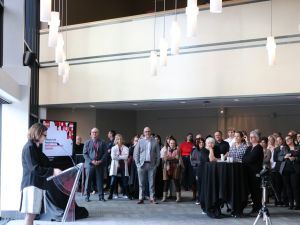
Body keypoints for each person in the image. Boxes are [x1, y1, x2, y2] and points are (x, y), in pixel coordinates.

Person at [20, 123, 62, 225]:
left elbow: (46, 162)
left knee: (33, 214)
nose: (46, 138)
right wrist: (52, 171)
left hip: (36, 183)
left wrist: (60, 166)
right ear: (38, 133)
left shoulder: (36, 147)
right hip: (31, 184)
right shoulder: (29, 147)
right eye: (45, 135)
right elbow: (35, 168)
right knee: (30, 214)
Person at [134, 127, 161, 204]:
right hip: (142, 165)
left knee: (152, 183)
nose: (147, 133)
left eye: (149, 131)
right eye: (146, 131)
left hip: (152, 165)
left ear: (151, 132)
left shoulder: (155, 142)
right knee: (141, 183)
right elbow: (136, 153)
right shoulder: (140, 141)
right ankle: (141, 198)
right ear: (144, 132)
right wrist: (138, 164)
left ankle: (152, 198)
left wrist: (157, 164)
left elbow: (158, 154)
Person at [83, 128, 108, 202]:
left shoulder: (102, 142)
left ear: (98, 133)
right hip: (90, 164)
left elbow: (105, 153)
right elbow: (85, 154)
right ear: (90, 134)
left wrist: (100, 161)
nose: (94, 134)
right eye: (93, 132)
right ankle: (87, 196)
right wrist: (92, 161)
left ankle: (101, 197)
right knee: (88, 181)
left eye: (96, 132)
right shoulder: (87, 142)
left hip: (99, 164)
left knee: (100, 181)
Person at [242, 130, 264, 214]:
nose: (250, 138)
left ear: (257, 138)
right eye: (250, 136)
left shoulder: (259, 147)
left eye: (252, 137)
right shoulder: (249, 148)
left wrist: (247, 159)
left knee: (256, 191)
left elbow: (250, 159)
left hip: (255, 172)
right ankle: (255, 207)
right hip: (248, 172)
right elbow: (244, 159)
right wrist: (247, 159)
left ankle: (257, 208)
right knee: (251, 191)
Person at [161, 137, 183, 202]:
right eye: (171, 143)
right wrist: (173, 158)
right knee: (166, 183)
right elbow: (165, 159)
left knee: (176, 182)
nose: (172, 144)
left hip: (176, 168)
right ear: (169, 143)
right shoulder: (165, 150)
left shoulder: (178, 150)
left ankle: (178, 198)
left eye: (173, 143)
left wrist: (169, 158)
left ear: (175, 143)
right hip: (166, 167)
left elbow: (177, 159)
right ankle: (164, 197)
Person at [281, 135, 300, 209]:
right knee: (288, 187)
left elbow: (298, 155)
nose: (287, 141)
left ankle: (297, 204)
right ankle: (291, 204)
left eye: (288, 139)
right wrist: (284, 157)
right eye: (286, 140)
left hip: (295, 170)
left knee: (295, 187)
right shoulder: (284, 148)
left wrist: (295, 158)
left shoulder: (298, 147)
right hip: (286, 169)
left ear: (292, 139)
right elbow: (278, 157)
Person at [108, 134, 129, 200]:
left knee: (125, 180)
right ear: (116, 140)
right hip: (115, 166)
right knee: (113, 180)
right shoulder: (113, 148)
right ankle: (111, 194)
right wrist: (121, 156)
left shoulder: (126, 148)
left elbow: (126, 157)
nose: (119, 140)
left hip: (123, 166)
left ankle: (128, 194)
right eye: (118, 139)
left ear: (122, 140)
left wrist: (118, 156)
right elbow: (113, 157)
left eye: (120, 139)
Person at [190, 137, 209, 205]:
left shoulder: (206, 150)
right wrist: (199, 162)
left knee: (205, 185)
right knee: (198, 185)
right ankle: (199, 199)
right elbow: (192, 161)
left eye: (202, 142)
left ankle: (204, 199)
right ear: (197, 143)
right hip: (197, 170)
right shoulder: (195, 150)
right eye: (200, 142)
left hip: (205, 170)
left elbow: (208, 160)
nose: (201, 143)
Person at [128, 135, 140, 199]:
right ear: (133, 141)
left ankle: (138, 194)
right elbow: (129, 155)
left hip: (140, 164)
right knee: (132, 179)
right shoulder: (131, 148)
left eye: (138, 141)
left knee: (138, 180)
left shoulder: (141, 148)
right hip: (133, 165)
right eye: (136, 141)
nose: (137, 142)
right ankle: (132, 193)